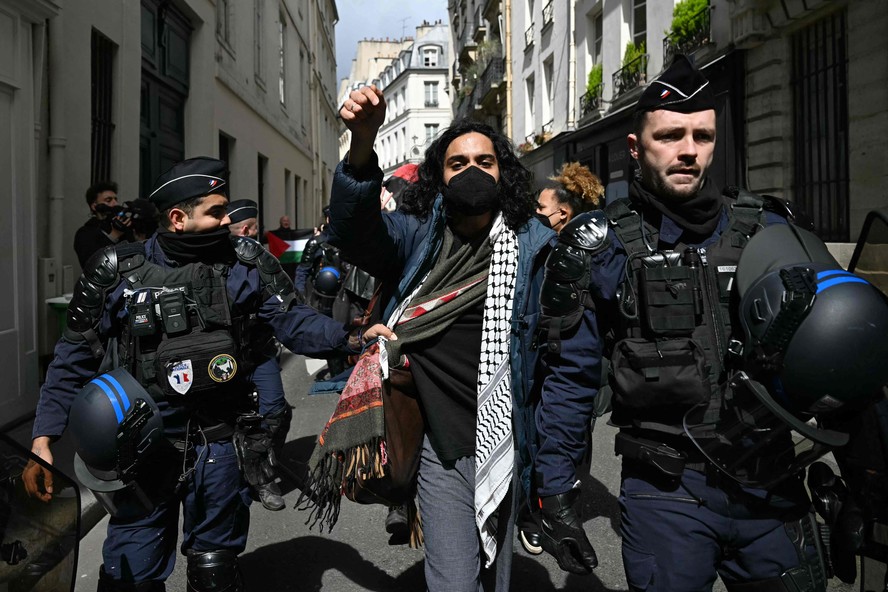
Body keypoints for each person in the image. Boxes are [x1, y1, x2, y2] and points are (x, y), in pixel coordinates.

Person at [533, 54, 888, 589]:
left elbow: (849, 356)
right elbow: (569, 376)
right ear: (637, 147)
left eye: (702, 136)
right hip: (665, 494)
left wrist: (870, 490)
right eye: (671, 135)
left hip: (772, 486)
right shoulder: (599, 247)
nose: (688, 151)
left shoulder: (773, 231)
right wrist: (555, 489)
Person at [24, 156, 393, 591]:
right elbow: (72, 359)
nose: (228, 221)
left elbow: (293, 320)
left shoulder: (247, 262)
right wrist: (42, 439)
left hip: (221, 441)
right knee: (131, 576)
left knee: (214, 569)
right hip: (141, 451)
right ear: (178, 218)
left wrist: (350, 337)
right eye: (216, 212)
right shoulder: (113, 273)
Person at [330, 85, 554, 591]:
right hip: (440, 443)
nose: (472, 172)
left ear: (504, 172)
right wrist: (362, 145)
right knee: (454, 580)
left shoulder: (536, 247)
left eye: (485, 161)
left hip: (509, 434)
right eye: (457, 164)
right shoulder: (416, 237)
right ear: (439, 176)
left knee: (497, 572)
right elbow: (353, 230)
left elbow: (563, 358)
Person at [516, 161, 604, 556]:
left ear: (563, 214)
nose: (535, 215)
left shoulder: (569, 254)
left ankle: (543, 512)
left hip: (563, 365)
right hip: (565, 368)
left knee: (549, 436)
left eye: (540, 209)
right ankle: (548, 508)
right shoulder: (546, 246)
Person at [74, 181, 132, 268]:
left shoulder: (124, 228)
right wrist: (114, 235)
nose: (115, 204)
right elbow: (92, 262)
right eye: (108, 200)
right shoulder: (85, 233)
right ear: (94, 206)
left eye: (115, 199)